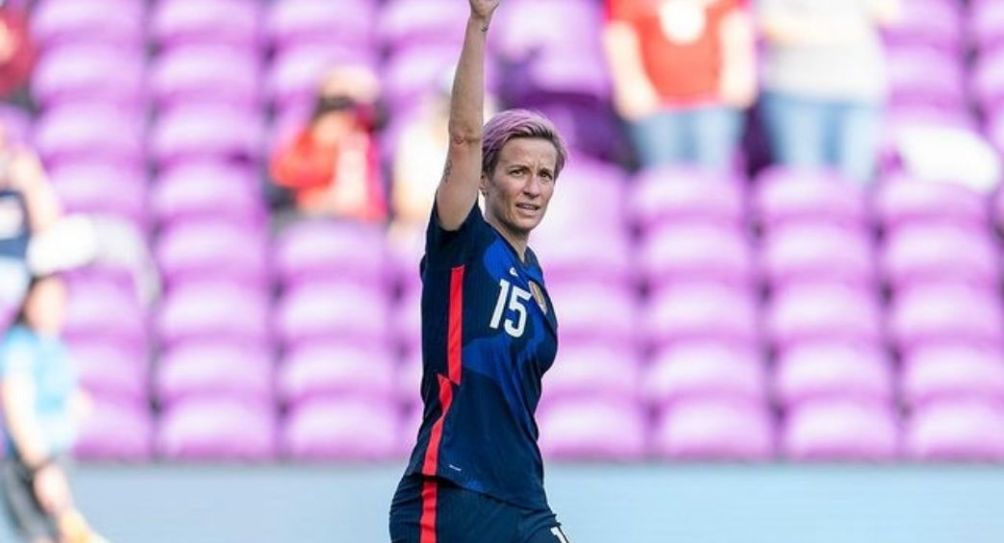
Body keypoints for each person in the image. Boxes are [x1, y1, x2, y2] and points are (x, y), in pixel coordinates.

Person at [389, 1, 571, 541]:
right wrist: (479, 24)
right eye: (517, 171)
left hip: (524, 500)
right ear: (485, 181)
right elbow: (466, 136)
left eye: (545, 174)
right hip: (451, 494)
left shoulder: (535, 278)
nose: (533, 187)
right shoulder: (462, 244)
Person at [0, 275, 106, 543]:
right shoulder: (18, 348)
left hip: (56, 458)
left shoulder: (52, 346)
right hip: (30, 463)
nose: (50, 308)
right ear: (27, 301)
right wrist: (41, 468)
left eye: (57, 301)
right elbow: (17, 410)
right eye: (43, 299)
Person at [758, 0, 901, 183]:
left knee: (856, 182)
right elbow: (771, 24)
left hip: (857, 90)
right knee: (804, 185)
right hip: (795, 91)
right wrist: (835, 31)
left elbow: (887, 14)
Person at [603, 0, 756, 169]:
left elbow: (734, 25)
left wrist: (737, 72)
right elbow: (621, 33)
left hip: (713, 99)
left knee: (713, 176)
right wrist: (630, 83)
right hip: (655, 105)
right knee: (663, 177)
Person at [268, 65, 387, 222]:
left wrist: (359, 89)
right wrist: (316, 200)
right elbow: (281, 185)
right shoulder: (301, 142)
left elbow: (365, 202)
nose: (337, 128)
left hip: (355, 222)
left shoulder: (358, 142)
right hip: (304, 219)